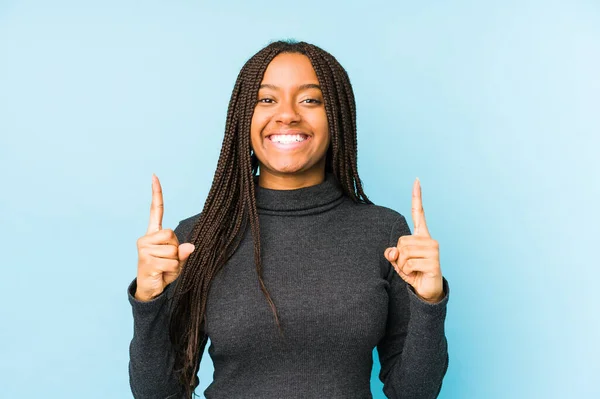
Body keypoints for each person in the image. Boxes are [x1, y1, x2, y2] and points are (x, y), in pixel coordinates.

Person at [128, 40, 449, 399]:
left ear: (337, 117)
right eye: (267, 99)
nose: (287, 115)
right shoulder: (197, 238)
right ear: (243, 117)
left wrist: (429, 303)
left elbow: (415, 393)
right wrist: (148, 299)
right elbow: (159, 394)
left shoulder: (384, 233)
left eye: (310, 99)